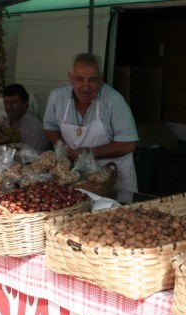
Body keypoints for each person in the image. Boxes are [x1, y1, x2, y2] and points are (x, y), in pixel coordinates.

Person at [44, 53, 139, 203]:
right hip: (78, 178)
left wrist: (89, 153)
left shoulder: (113, 101)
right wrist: (62, 146)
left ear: (101, 78)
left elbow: (129, 144)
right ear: (70, 77)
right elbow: (49, 127)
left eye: (93, 80)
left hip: (113, 180)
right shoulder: (57, 98)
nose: (86, 87)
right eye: (79, 79)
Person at [0, 83, 48, 152]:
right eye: (6, 102)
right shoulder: (4, 122)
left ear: (25, 104)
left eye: (14, 102)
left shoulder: (34, 127)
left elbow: (34, 159)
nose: (9, 106)